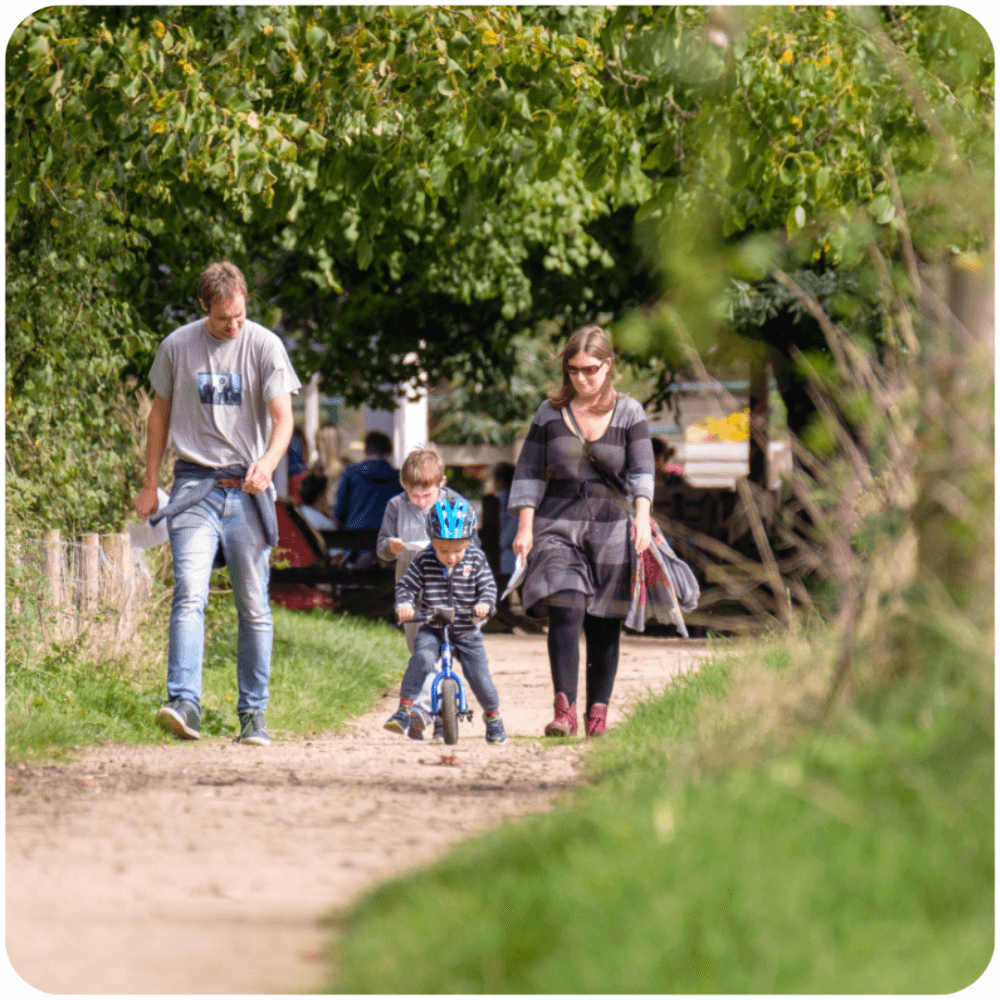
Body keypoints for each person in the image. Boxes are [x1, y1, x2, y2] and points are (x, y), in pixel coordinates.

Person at [135, 261, 302, 746]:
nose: (234, 326)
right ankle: (184, 701)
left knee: (253, 605)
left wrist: (269, 463)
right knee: (190, 593)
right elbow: (157, 418)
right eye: (225, 317)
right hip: (193, 487)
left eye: (241, 315)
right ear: (204, 305)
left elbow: (283, 421)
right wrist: (150, 484)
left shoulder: (264, 345)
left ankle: (253, 714)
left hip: (248, 491)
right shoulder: (177, 346)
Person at [508, 323, 654, 738]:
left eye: (591, 369)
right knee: (566, 607)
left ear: (608, 366)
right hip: (558, 525)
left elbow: (643, 472)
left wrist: (641, 519)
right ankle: (564, 711)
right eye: (574, 370)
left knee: (605, 621)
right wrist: (525, 527)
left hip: (612, 528)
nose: (582, 378)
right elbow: (530, 472)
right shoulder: (549, 414)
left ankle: (597, 716)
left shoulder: (630, 413)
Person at [384, 497, 506, 745]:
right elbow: (407, 586)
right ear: (431, 541)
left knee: (480, 678)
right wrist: (405, 604)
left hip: (465, 628)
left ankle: (493, 718)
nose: (451, 557)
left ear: (469, 542)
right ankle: (404, 710)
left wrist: (484, 604)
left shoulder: (476, 559)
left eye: (458, 550)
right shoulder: (423, 560)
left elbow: (488, 588)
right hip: (433, 626)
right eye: (443, 550)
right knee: (423, 659)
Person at [377, 445, 469, 738]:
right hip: (410, 589)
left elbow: (473, 547)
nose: (418, 502)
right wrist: (391, 547)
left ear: (440, 483)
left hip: (446, 588)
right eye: (412, 495)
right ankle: (439, 717)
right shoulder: (396, 506)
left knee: (439, 651)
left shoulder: (456, 504)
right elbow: (382, 548)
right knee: (418, 651)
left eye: (425, 496)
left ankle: (422, 709)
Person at [333, 430, 403, 566]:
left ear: (366, 449)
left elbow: (339, 512)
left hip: (355, 545)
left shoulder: (351, 474)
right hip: (388, 545)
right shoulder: (399, 478)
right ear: (388, 450)